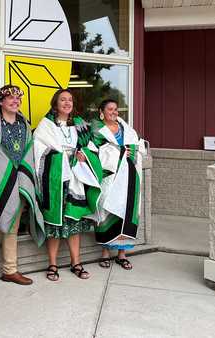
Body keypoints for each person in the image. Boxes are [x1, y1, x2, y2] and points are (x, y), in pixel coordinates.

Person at [0, 85, 45, 295]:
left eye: (18, 98)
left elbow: (29, 152)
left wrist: (22, 173)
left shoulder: (25, 125)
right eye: (10, 98)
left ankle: (10, 270)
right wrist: (8, 172)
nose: (15, 101)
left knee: (12, 229)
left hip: (19, 183)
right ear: (1, 102)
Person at [33, 89, 103, 281]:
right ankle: (52, 264)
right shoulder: (46, 125)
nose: (67, 103)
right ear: (55, 104)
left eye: (70, 100)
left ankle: (76, 263)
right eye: (62, 100)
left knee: (74, 224)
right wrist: (63, 157)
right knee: (53, 226)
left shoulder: (80, 126)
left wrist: (84, 156)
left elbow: (92, 148)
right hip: (56, 182)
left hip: (75, 182)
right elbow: (39, 150)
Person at [91, 99, 147, 270]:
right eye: (110, 109)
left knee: (126, 212)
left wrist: (132, 150)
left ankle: (122, 254)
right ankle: (106, 252)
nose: (114, 112)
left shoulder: (127, 129)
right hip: (109, 177)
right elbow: (94, 152)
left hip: (129, 175)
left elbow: (140, 146)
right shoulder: (96, 131)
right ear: (101, 111)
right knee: (107, 209)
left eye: (116, 109)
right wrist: (121, 152)